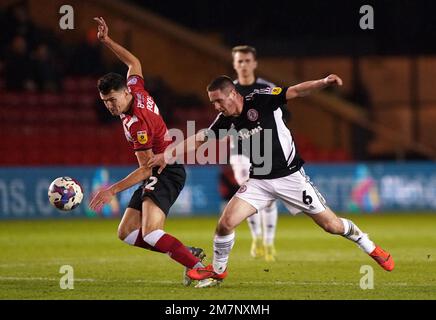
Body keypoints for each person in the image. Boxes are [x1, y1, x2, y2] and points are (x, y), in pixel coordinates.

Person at [149, 75, 394, 288]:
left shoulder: (261, 99)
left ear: (232, 94)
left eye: (218, 100)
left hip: (291, 178)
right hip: (260, 180)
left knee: (332, 226)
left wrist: (323, 82)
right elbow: (202, 138)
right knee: (225, 223)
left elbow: (295, 91)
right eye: (213, 102)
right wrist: (167, 155)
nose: (215, 106)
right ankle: (219, 270)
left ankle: (368, 244)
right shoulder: (226, 119)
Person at [88, 17, 205, 286]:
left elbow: (145, 169)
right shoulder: (135, 89)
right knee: (127, 232)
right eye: (105, 102)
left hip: (165, 171)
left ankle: (199, 268)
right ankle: (187, 254)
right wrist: (107, 41)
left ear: (123, 94)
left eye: (112, 100)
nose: (110, 107)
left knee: (151, 232)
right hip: (159, 170)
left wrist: (111, 190)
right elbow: (134, 63)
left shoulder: (138, 123)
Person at [230, 45, 282, 261]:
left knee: (269, 198)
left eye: (247, 60)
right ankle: (256, 238)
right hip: (240, 149)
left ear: (254, 63)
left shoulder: (267, 88)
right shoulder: (229, 90)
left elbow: (283, 114)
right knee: (247, 190)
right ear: (234, 64)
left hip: (264, 148)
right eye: (239, 61)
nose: (243, 65)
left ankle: (269, 243)